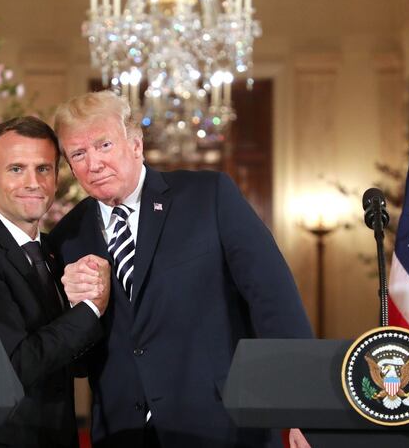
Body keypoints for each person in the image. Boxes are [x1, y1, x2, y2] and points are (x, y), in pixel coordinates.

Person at [49, 91, 313, 448]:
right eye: (78, 153)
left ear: (136, 145)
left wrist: (302, 407)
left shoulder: (209, 196)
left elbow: (274, 300)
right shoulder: (67, 238)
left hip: (222, 426)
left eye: (104, 144)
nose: (93, 163)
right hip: (121, 431)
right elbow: (78, 363)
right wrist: (75, 310)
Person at [0, 116, 111, 448]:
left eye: (43, 169)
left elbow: (66, 359)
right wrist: (89, 309)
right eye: (16, 169)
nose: (33, 182)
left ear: (56, 178)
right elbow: (12, 366)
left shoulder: (52, 250)